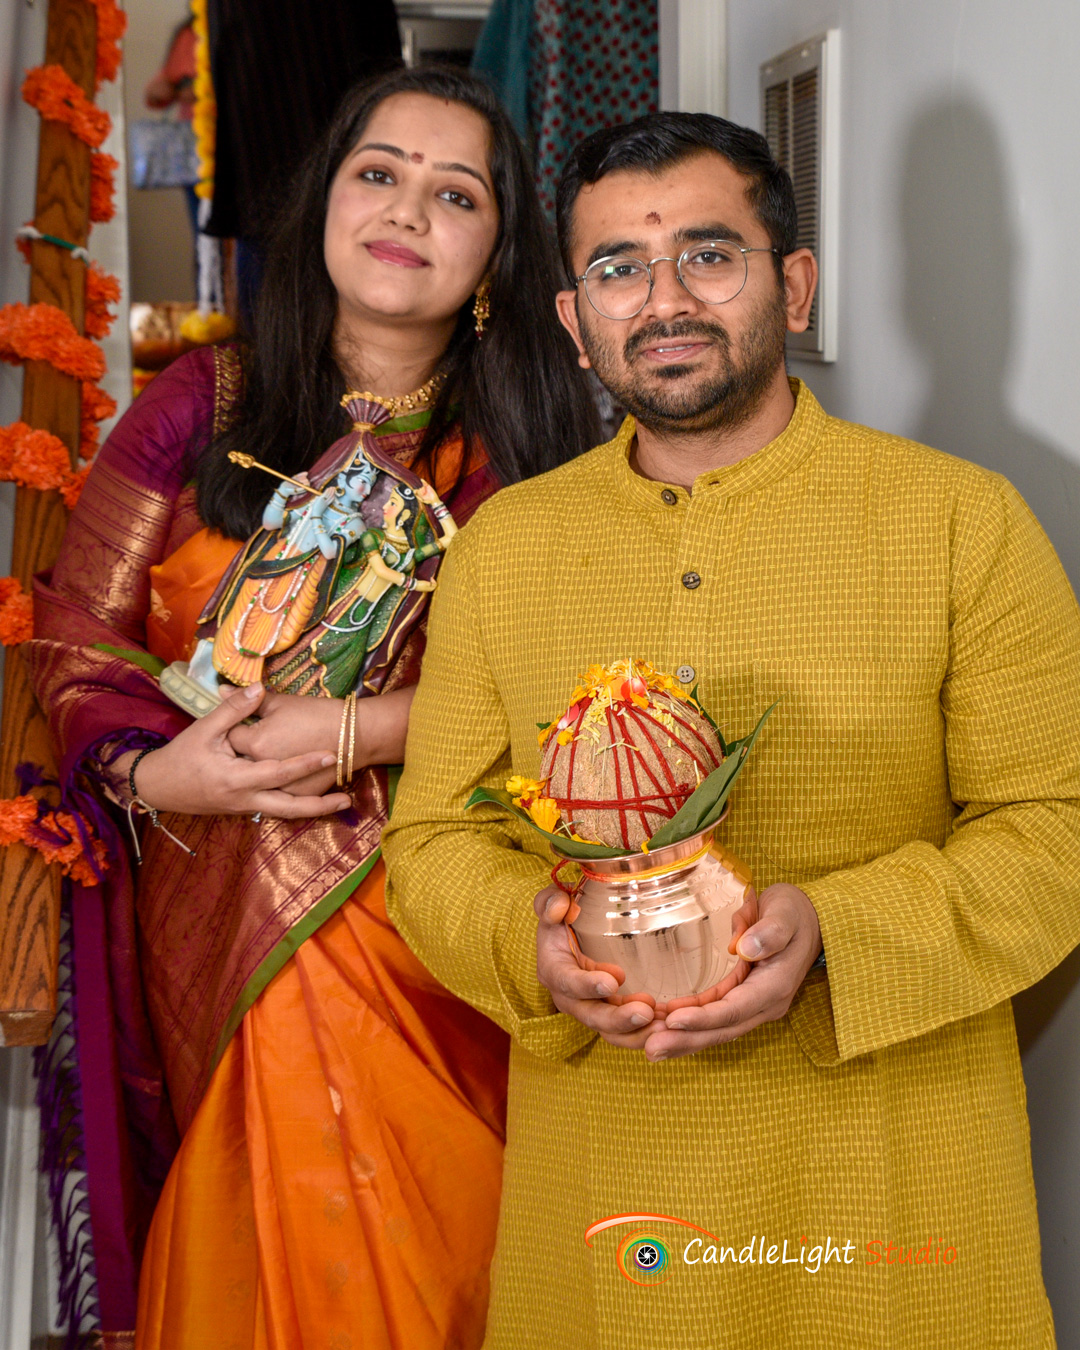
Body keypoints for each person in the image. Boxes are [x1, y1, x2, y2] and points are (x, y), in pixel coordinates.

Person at [382, 110, 1080, 1349]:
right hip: (609, 1184)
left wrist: (838, 935)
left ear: (793, 284)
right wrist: (532, 949)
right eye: (618, 267)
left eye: (708, 253)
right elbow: (431, 842)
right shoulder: (506, 549)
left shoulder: (963, 523)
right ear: (572, 319)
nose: (664, 300)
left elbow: (1058, 831)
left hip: (888, 1178)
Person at [27, 66, 598, 1350]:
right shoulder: (198, 409)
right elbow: (73, 643)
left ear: (499, 250)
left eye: (458, 194)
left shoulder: (528, 444)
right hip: (212, 904)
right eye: (379, 173)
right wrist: (162, 776)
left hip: (436, 915)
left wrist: (369, 730)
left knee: (448, 1257)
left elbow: (575, 684)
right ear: (324, 201)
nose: (410, 210)